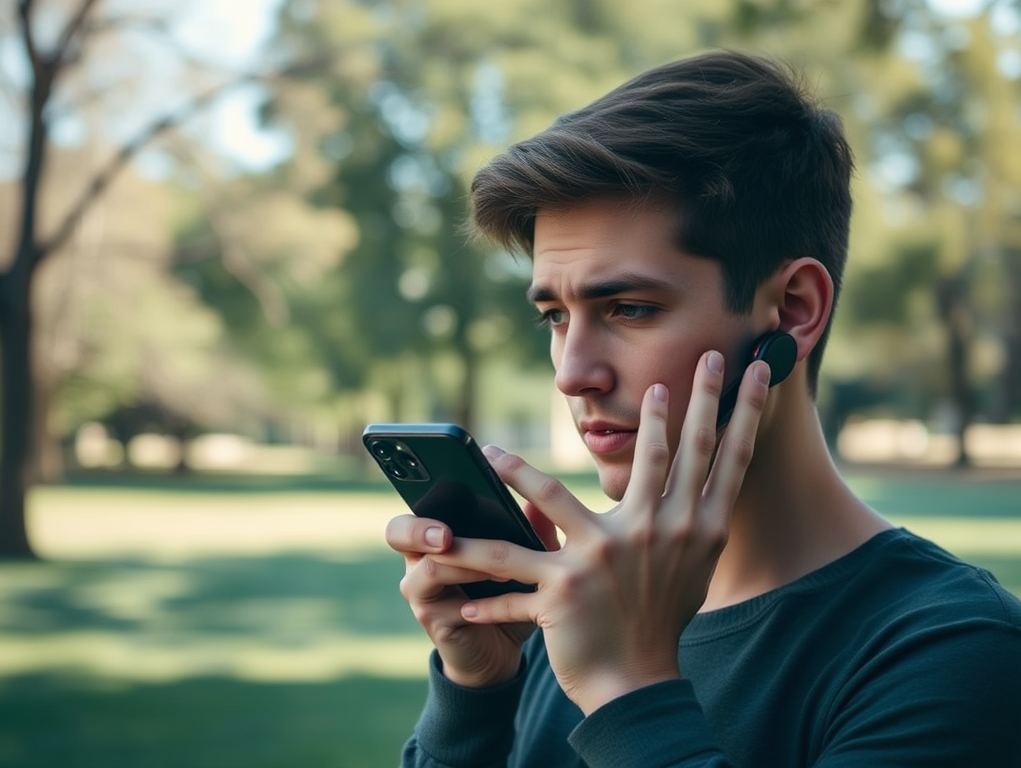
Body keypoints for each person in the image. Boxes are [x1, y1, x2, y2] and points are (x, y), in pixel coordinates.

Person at [384, 50, 1021, 767]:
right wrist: (478, 695)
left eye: (628, 308)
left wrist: (627, 687)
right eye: (555, 317)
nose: (573, 373)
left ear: (792, 311)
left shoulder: (954, 652)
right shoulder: (572, 603)